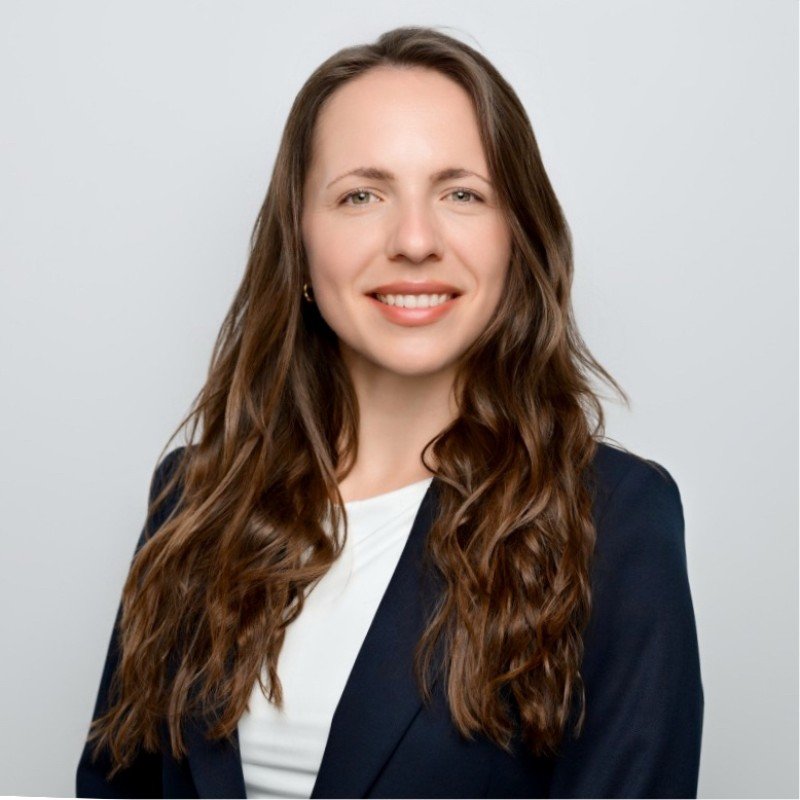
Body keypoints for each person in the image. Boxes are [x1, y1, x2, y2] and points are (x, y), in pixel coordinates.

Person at [76, 25, 704, 799]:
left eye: (462, 193)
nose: (414, 240)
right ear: (301, 242)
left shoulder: (617, 518)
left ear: (516, 237)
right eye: (361, 195)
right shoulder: (194, 494)